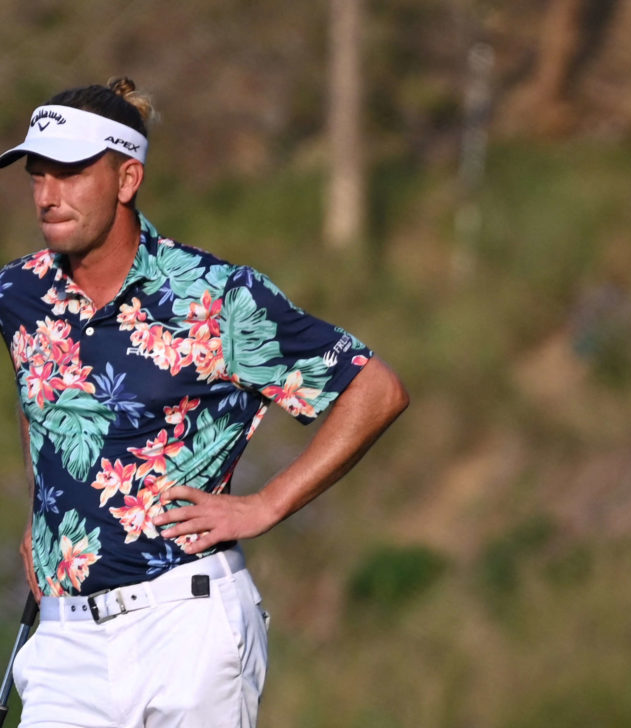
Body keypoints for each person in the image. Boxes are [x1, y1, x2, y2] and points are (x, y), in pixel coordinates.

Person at [0, 78, 409, 727]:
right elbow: (39, 396)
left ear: (127, 179)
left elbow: (375, 388)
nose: (48, 195)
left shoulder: (218, 299)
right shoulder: (18, 294)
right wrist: (41, 514)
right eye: (37, 173)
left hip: (186, 627)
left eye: (71, 172)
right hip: (64, 642)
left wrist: (267, 504)